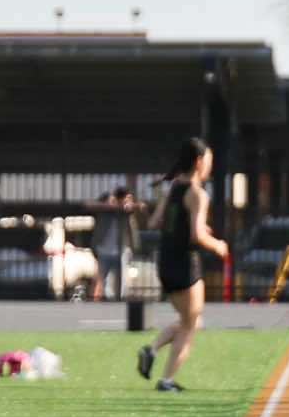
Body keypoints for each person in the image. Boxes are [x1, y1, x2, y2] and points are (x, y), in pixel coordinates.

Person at [137, 137, 229, 393]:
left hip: (165, 262)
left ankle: (151, 349)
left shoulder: (174, 188)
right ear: (199, 162)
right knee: (190, 325)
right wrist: (218, 245)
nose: (210, 166)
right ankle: (166, 380)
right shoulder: (198, 194)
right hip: (185, 264)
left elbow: (155, 222)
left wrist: (190, 226)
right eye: (209, 161)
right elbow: (197, 236)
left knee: (191, 321)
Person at [91, 184, 140, 301]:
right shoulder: (106, 209)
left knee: (121, 279)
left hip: (120, 250)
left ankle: (118, 299)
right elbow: (91, 205)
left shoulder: (126, 213)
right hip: (104, 250)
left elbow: (132, 210)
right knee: (103, 279)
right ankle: (108, 298)